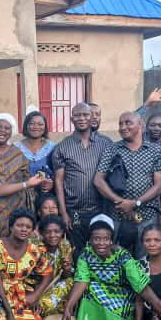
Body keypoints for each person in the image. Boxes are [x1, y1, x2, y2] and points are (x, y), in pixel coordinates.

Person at [61, 214, 161, 320]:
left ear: (111, 240)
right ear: (90, 240)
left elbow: (140, 285)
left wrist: (159, 308)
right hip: (98, 292)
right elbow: (82, 281)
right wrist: (69, 307)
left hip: (121, 294)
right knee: (88, 288)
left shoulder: (123, 256)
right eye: (96, 239)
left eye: (106, 239)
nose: (101, 243)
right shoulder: (85, 255)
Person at [94, 111, 161, 256]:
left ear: (141, 125)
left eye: (128, 122)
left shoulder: (156, 151)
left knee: (145, 259)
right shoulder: (112, 149)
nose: (123, 127)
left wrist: (135, 203)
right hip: (117, 216)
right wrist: (121, 202)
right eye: (120, 123)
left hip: (146, 215)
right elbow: (98, 180)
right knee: (117, 258)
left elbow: (159, 186)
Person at [52, 103, 114, 257]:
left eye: (85, 115)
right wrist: (64, 212)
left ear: (92, 117)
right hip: (75, 211)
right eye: (77, 115)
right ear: (72, 118)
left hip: (101, 208)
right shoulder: (62, 147)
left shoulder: (106, 143)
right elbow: (58, 181)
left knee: (101, 251)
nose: (82, 118)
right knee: (77, 253)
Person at [0, 208, 51, 320]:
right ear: (11, 226)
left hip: (20, 298)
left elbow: (48, 273)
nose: (24, 229)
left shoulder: (35, 250)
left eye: (28, 227)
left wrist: (35, 295)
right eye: (20, 225)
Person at [0, 113, 46, 238]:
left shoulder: (18, 154)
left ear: (11, 132)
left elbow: (28, 182)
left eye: (7, 128)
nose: (2, 131)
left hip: (15, 205)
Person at [29, 216, 74, 315]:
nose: (52, 235)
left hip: (55, 284)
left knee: (70, 282)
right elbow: (31, 278)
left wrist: (67, 268)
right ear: (41, 233)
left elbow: (66, 276)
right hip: (35, 288)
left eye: (57, 231)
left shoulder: (65, 245)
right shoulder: (35, 247)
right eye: (48, 232)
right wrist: (36, 296)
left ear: (62, 232)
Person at [16, 110, 56, 180]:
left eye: (40, 124)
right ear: (26, 126)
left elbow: (57, 174)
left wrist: (51, 183)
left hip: (47, 190)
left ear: (45, 127)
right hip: (21, 190)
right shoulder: (15, 148)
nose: (36, 127)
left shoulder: (53, 148)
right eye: (32, 123)